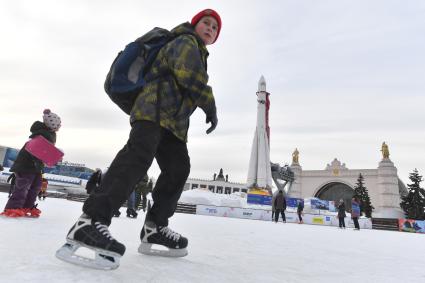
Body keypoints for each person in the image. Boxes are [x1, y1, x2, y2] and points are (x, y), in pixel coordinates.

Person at [58, 9, 221, 268]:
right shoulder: (186, 41)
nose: (210, 28)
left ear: (215, 38)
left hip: (173, 123)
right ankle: (90, 221)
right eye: (206, 22)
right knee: (138, 156)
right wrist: (210, 105)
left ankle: (154, 227)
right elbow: (188, 75)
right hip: (153, 108)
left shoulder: (200, 51)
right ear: (195, 24)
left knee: (178, 168)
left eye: (214, 27)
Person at [1, 109, 61, 218]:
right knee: (22, 187)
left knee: (36, 187)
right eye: (57, 124)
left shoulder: (49, 134)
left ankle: (27, 206)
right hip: (26, 165)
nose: (59, 127)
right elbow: (36, 150)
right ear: (51, 125)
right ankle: (13, 208)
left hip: (36, 166)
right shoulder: (42, 134)